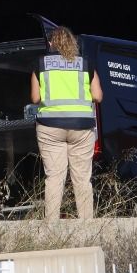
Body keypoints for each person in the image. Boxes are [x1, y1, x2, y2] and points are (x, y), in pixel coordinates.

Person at [30, 26, 102, 220]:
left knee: (54, 177)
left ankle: (52, 225)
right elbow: (98, 95)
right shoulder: (86, 64)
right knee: (82, 179)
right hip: (81, 128)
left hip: (50, 127)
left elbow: (35, 98)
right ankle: (86, 223)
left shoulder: (41, 64)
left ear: (51, 43)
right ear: (73, 44)